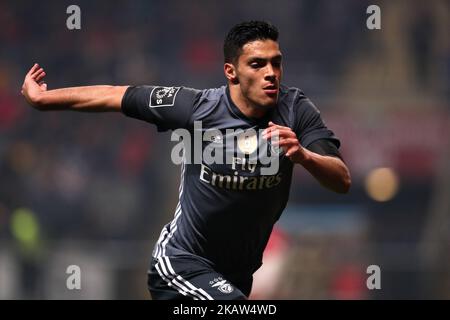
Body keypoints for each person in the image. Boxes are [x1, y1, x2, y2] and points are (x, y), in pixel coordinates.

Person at [21, 20, 351, 300]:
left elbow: (341, 180)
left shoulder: (296, 111)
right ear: (231, 71)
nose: (271, 73)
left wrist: (305, 156)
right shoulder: (197, 108)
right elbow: (114, 94)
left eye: (276, 63)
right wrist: (43, 99)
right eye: (257, 64)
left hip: (235, 277)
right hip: (180, 264)